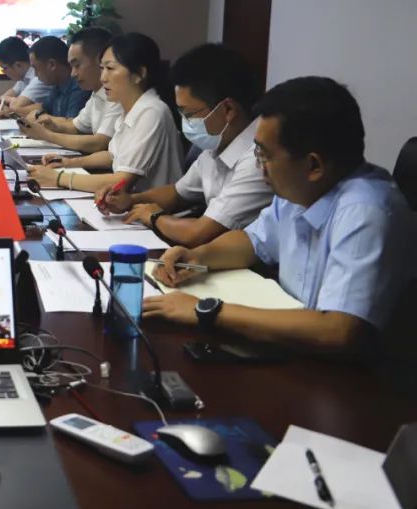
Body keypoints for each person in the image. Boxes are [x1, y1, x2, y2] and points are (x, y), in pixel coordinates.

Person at [144, 77, 412, 354]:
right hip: (294, 347)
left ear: (314, 165)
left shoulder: (366, 211)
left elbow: (338, 330)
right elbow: (252, 242)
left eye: (264, 155)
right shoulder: (300, 189)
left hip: (349, 373)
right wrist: (198, 257)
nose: (259, 165)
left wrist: (209, 311)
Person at [94, 44, 273, 247]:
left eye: (189, 114)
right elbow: (177, 193)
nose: (185, 122)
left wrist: (155, 217)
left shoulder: (258, 159)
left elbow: (198, 233)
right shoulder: (217, 144)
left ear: (228, 110)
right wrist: (130, 200)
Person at [27, 31, 183, 193]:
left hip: (150, 206)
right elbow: (112, 156)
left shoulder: (151, 111)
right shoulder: (130, 109)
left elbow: (121, 181)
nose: (103, 78)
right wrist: (69, 163)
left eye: (110, 68)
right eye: (102, 69)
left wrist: (58, 178)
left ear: (139, 74)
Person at [15, 27, 121, 155]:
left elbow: (99, 143)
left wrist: (46, 135)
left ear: (100, 61)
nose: (73, 74)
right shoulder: (97, 93)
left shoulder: (118, 94)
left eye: (77, 65)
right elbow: (76, 126)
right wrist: (55, 126)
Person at [21, 36, 91, 124]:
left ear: (52, 64)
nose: (35, 74)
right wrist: (36, 113)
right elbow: (43, 108)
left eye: (36, 68)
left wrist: (39, 116)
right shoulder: (58, 86)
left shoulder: (80, 86)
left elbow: (72, 124)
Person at [0, 36, 53, 117]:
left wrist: (5, 100)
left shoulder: (39, 77)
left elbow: (16, 106)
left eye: (4, 68)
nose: (3, 72)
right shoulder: (24, 76)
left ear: (18, 65)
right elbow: (8, 96)